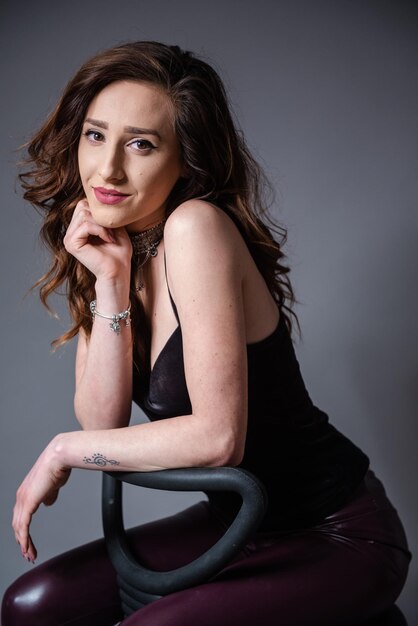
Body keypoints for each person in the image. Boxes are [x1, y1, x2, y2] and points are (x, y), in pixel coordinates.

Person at [2, 41, 410, 626]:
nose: (108, 169)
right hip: (235, 524)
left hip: (336, 532)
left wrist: (62, 450)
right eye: (96, 135)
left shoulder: (197, 228)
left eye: (141, 143)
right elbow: (103, 426)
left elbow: (220, 440)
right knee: (29, 606)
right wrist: (112, 286)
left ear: (186, 161)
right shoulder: (106, 250)